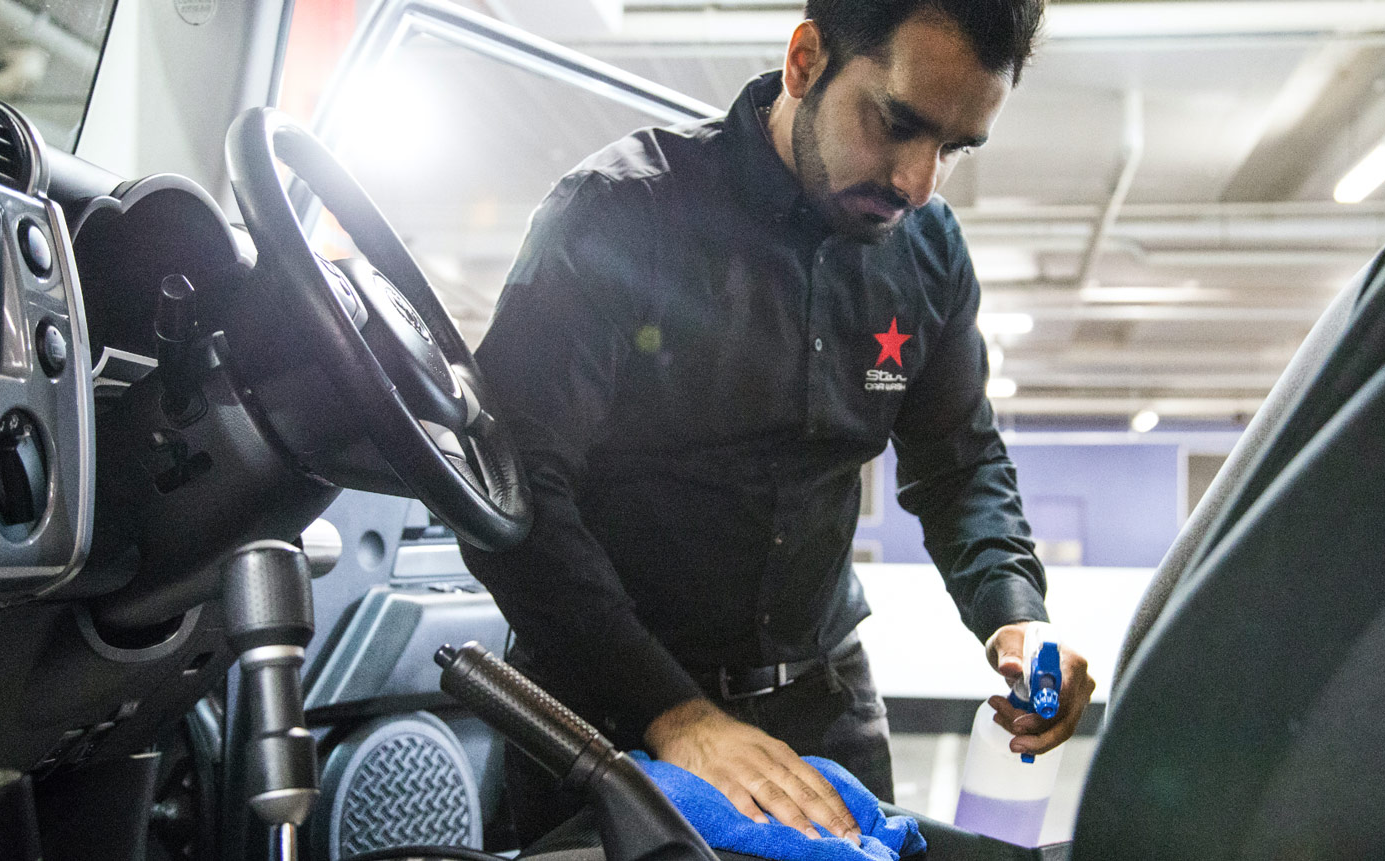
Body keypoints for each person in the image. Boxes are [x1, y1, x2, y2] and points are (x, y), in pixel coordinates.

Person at [459, 0, 1096, 847]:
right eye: (897, 124)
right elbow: (511, 497)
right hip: (606, 709)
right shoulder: (620, 214)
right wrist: (676, 714)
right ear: (806, 61)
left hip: (824, 713)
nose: (919, 182)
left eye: (952, 148)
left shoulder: (928, 253)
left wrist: (1015, 611)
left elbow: (958, 463)